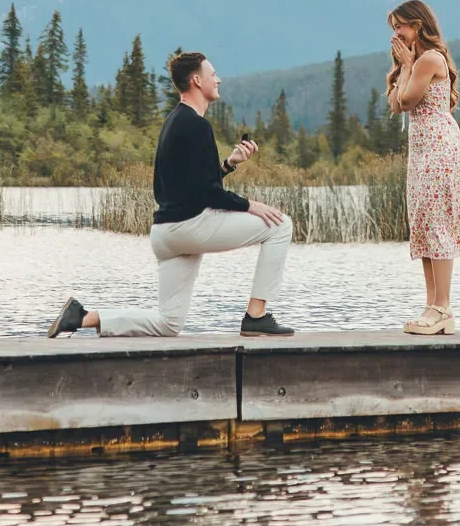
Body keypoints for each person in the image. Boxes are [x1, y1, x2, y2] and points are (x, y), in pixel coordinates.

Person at [49, 51, 295, 338]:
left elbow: (193, 185)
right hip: (189, 228)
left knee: (168, 323)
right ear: (196, 80)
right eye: (212, 74)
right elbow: (209, 194)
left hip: (166, 234)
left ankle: (82, 318)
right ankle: (256, 316)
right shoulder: (197, 125)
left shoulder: (174, 122)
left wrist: (229, 164)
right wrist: (249, 205)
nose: (218, 79)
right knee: (280, 226)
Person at [386, 0, 460, 336]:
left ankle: (442, 307)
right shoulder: (415, 62)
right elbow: (394, 106)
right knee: (421, 223)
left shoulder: (430, 59)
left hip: (439, 148)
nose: (396, 34)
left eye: (400, 27)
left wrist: (406, 69)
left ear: (418, 26)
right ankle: (431, 303)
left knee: (438, 224)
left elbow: (406, 100)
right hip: (421, 152)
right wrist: (403, 69)